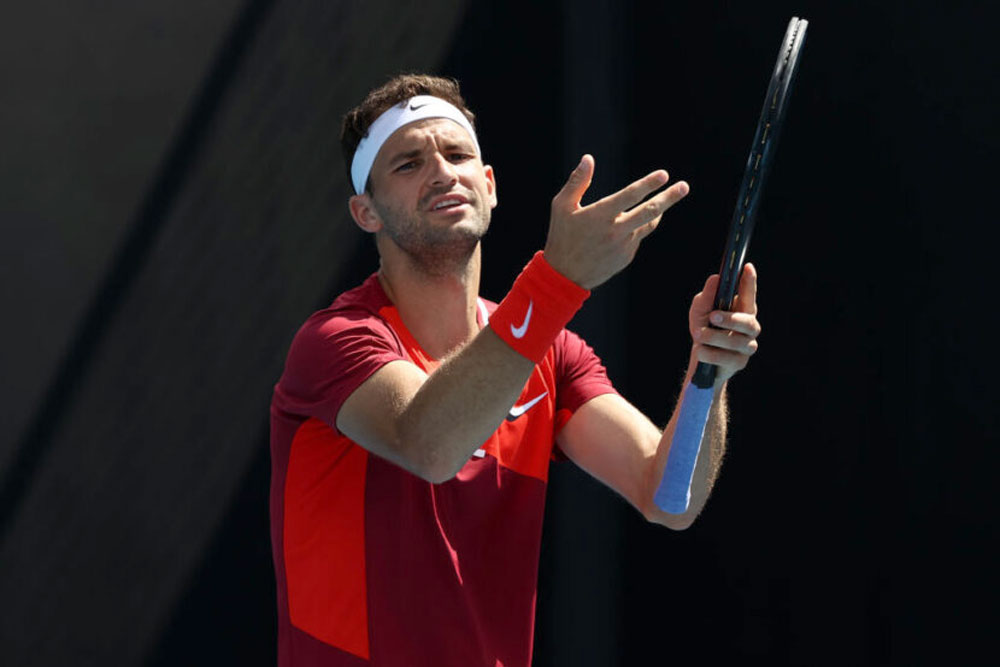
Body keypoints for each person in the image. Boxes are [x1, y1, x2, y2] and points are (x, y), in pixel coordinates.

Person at [269, 73, 760, 667]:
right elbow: (429, 445)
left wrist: (708, 372)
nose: (442, 173)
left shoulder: (552, 353)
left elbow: (669, 496)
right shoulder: (335, 342)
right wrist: (556, 280)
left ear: (490, 185)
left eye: (457, 155)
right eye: (408, 164)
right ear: (365, 212)